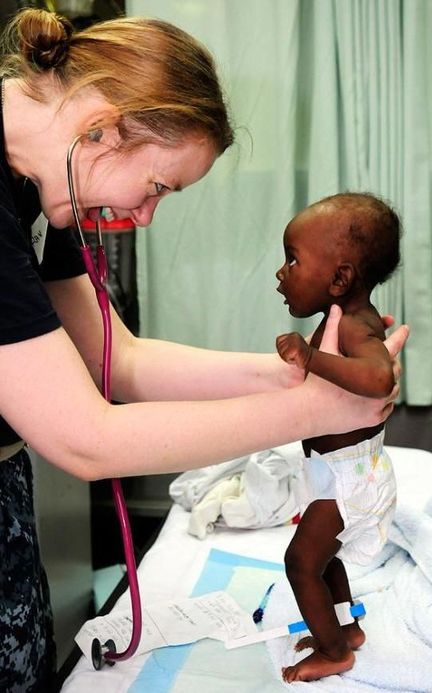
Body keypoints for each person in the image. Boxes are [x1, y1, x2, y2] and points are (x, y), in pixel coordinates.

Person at [0, 8, 408, 691]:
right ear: (104, 122)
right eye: (158, 186)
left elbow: (120, 361)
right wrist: (315, 411)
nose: (145, 215)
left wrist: (291, 375)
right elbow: (84, 438)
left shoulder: (54, 183)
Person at [275, 192, 401, 682]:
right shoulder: (338, 320)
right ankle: (345, 628)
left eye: (292, 259)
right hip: (336, 473)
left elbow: (378, 379)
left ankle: (334, 653)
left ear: (340, 277)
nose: (281, 273)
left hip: (351, 477)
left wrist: (311, 360)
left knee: (301, 562)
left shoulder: (353, 327)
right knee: (325, 559)